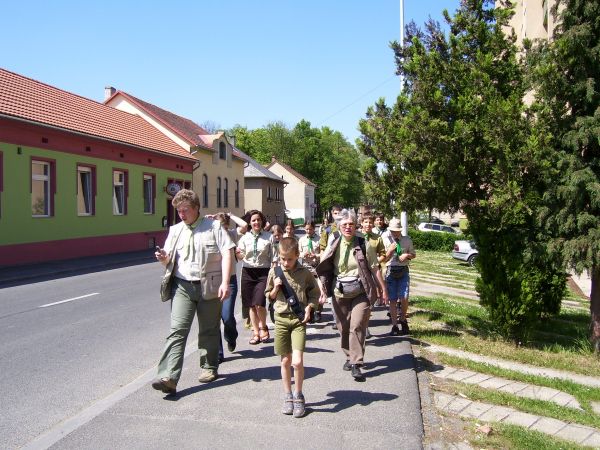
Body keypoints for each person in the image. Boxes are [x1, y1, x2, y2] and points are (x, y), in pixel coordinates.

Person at [152, 189, 235, 395]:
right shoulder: (175, 230)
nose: (181, 214)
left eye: (185, 210)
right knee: (177, 330)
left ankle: (209, 367)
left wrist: (225, 282)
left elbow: (227, 253)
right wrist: (163, 258)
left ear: (196, 208)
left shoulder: (213, 227)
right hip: (182, 286)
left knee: (208, 329)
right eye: (179, 211)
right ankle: (169, 376)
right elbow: (169, 259)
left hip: (209, 285)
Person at [316, 209, 384, 381]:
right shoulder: (334, 242)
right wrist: (322, 289)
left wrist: (382, 288)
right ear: (339, 227)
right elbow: (322, 267)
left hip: (361, 291)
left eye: (351, 224)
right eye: (344, 225)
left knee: (357, 325)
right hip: (339, 291)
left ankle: (356, 363)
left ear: (355, 226)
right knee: (343, 327)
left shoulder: (363, 243)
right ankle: (349, 355)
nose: (348, 227)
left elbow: (375, 268)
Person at [265, 237, 323, 418]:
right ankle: (287, 395)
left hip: (298, 321)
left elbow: (315, 294)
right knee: (285, 361)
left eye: (289, 259)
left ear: (297, 255)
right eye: (283, 258)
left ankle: (299, 394)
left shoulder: (305, 273)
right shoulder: (274, 272)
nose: (285, 262)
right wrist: (275, 288)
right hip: (281, 320)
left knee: (297, 361)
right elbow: (269, 296)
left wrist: (310, 307)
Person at [214, 212, 247, 362]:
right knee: (214, 319)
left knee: (227, 316)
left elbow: (244, 225)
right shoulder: (211, 236)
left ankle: (231, 337)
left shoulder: (232, 235)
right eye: (220, 227)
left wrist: (231, 215)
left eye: (225, 228)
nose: (222, 231)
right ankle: (218, 353)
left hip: (230, 281)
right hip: (213, 281)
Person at [237, 210, 273, 345]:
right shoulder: (244, 238)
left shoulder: (269, 237)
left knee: (259, 303)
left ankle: (264, 327)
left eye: (258, 220)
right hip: (248, 272)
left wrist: (274, 275)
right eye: (253, 220)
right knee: (251, 305)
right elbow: (240, 256)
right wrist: (239, 254)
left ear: (262, 221)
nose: (256, 222)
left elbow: (274, 257)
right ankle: (256, 332)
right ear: (250, 223)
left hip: (263, 272)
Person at [380, 218, 416, 336]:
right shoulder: (384, 240)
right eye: (393, 231)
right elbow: (382, 259)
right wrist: (390, 251)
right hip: (391, 271)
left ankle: (403, 319)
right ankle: (395, 325)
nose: (395, 233)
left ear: (400, 230)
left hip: (403, 270)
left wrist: (406, 255)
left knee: (404, 297)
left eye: (397, 231)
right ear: (389, 230)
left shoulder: (407, 240)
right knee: (393, 300)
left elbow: (413, 255)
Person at [298, 220, 322, 321]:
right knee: (307, 290)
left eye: (310, 229)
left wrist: (315, 255)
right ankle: (309, 312)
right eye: (306, 229)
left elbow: (323, 253)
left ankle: (318, 311)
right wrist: (302, 255)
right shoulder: (301, 240)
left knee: (318, 290)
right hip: (305, 267)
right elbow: (298, 253)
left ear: (314, 228)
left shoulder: (319, 239)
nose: (308, 231)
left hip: (316, 266)